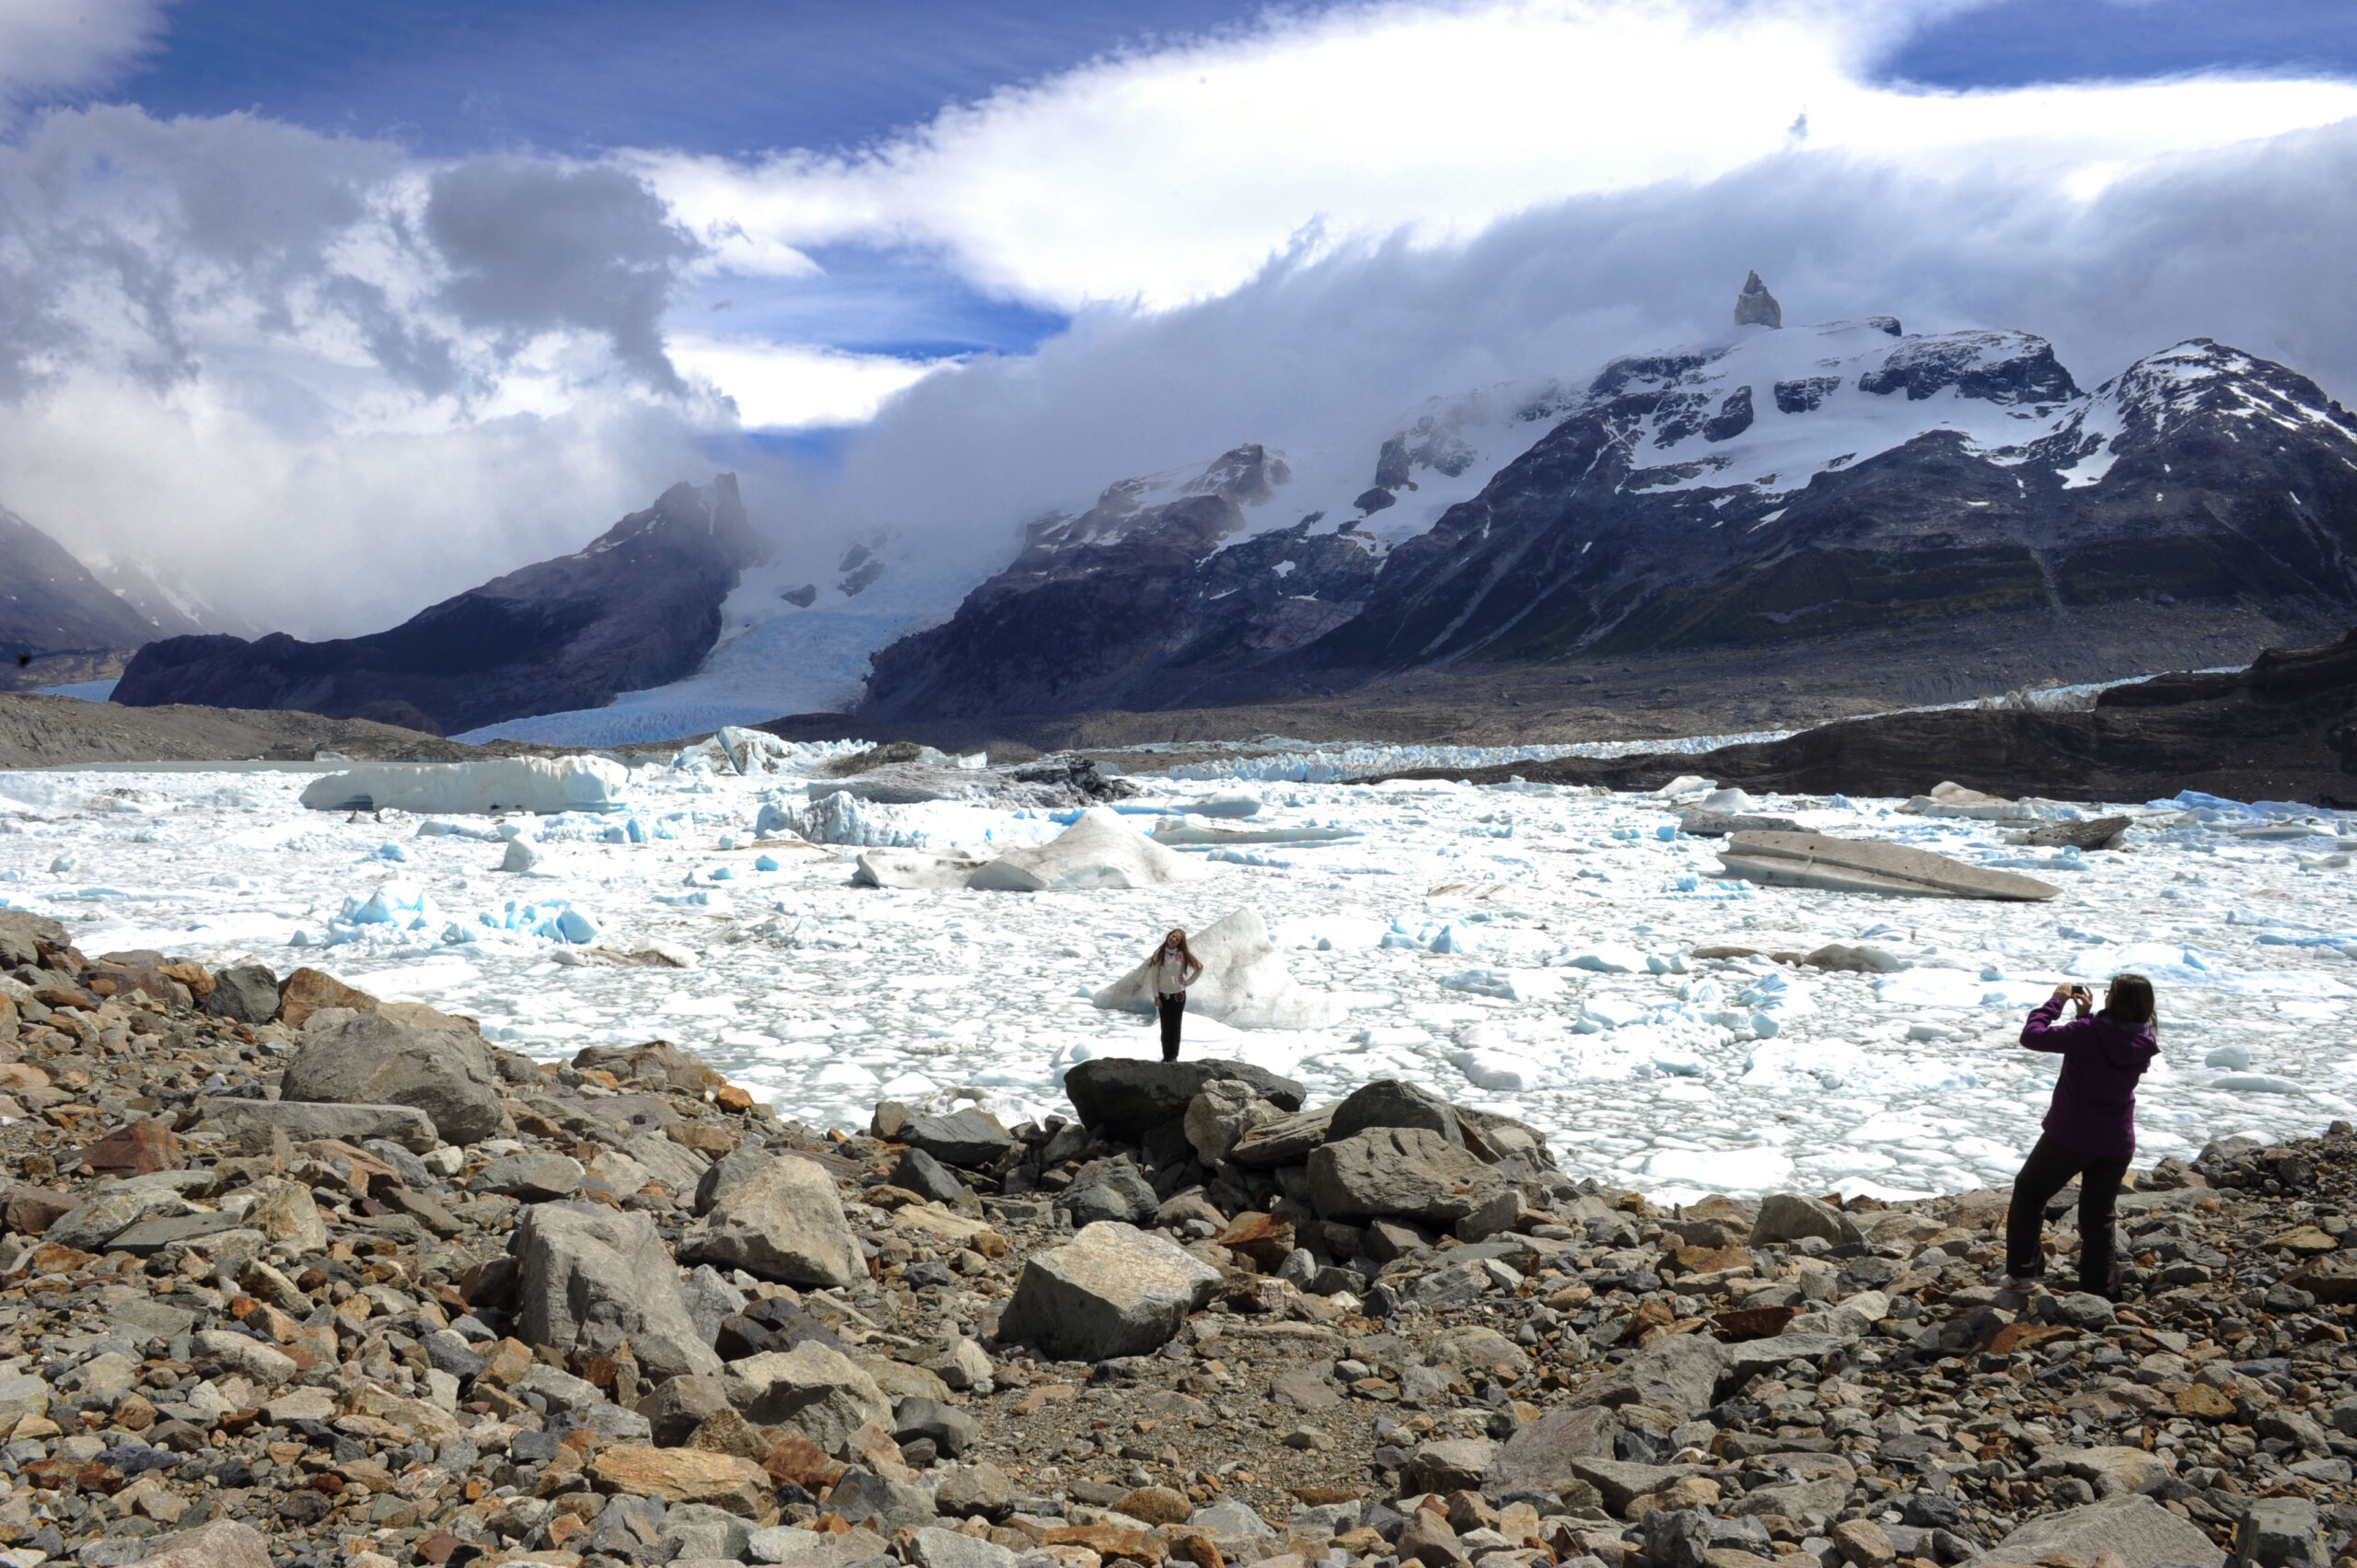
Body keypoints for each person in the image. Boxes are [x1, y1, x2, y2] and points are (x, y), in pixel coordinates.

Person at [2003, 972, 2159, 1299]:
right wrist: (2086, 1017)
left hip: (2071, 1135)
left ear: (2115, 1000)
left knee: (2030, 1192)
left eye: (2110, 992)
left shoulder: (2087, 1033)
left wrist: (2056, 1002)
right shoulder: (2144, 1039)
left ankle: (2023, 1274)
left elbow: (2033, 1037)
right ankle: (2100, 1290)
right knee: (2098, 1214)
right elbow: (2107, 1051)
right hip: (2116, 1140)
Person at [1151, 928, 1204, 1062]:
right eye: (1172, 936)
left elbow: (1199, 968)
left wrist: (1187, 982)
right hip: (1163, 996)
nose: (1173, 939)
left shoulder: (1182, 954)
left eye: (1177, 939)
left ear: (1180, 942)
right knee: (1165, 1027)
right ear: (1168, 936)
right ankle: (1166, 1056)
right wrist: (1156, 996)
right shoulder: (1159, 953)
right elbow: (1154, 976)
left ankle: (1173, 1057)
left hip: (1178, 996)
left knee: (1175, 1026)